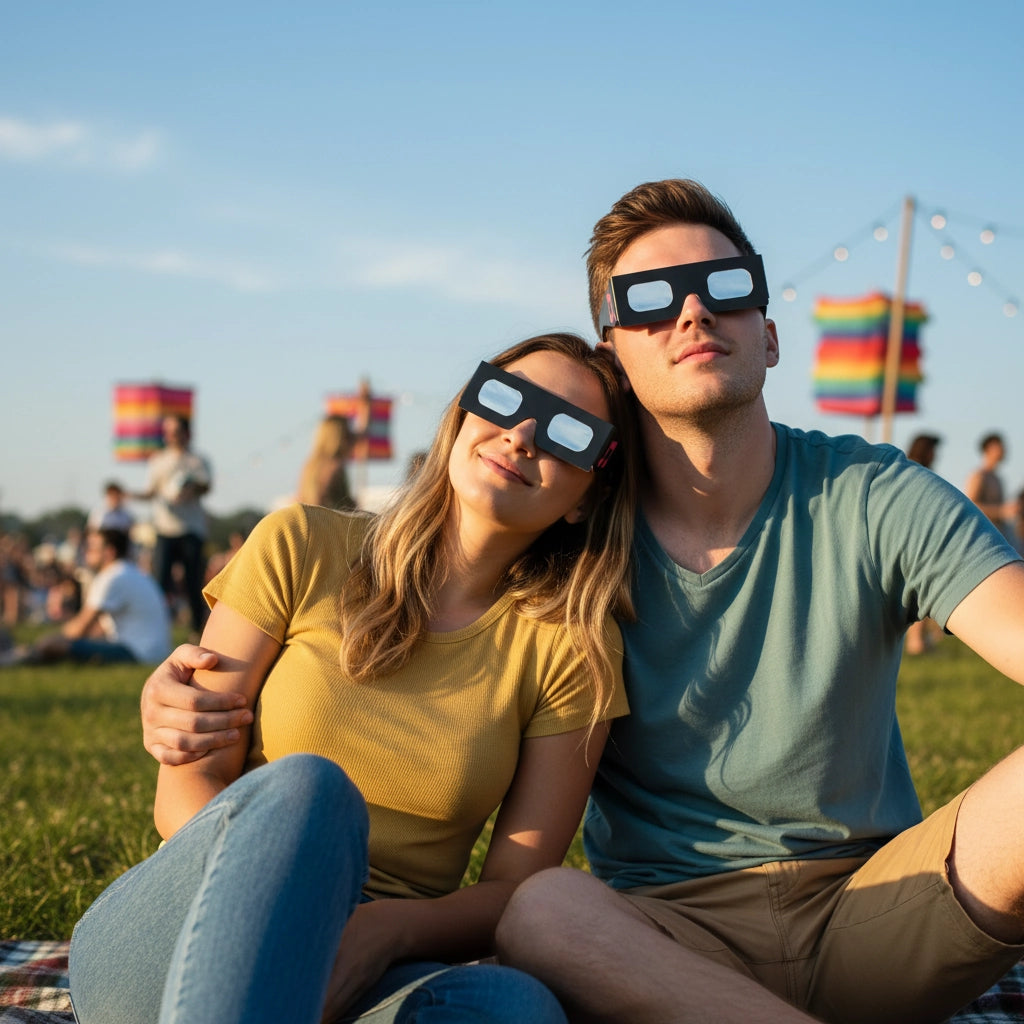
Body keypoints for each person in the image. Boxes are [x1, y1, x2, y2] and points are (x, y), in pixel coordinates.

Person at [137, 182, 1024, 1024]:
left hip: (875, 904)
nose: (692, 311)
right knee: (513, 895)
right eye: (648, 300)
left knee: (522, 968)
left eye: (724, 286)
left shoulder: (858, 499)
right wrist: (173, 701)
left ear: (770, 333)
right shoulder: (489, 551)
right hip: (659, 933)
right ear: (618, 360)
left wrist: (385, 930)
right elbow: (217, 754)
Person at [70, 332, 637, 1024]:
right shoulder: (300, 544)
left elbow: (516, 891)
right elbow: (183, 787)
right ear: (462, 415)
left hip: (373, 966)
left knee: (513, 1007)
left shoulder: (572, 648)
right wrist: (287, 919)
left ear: (587, 496)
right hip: (186, 924)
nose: (521, 435)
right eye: (505, 397)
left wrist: (382, 933)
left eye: (568, 431)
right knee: (312, 791)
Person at [0, 527, 171, 667]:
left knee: (53, 645)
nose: (86, 552)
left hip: (136, 653)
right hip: (153, 653)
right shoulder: (131, 572)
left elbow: (81, 627)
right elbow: (100, 628)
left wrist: (51, 640)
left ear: (109, 552)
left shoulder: (112, 577)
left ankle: (13, 660)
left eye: (92, 548)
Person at [133, 414, 213, 635]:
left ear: (186, 433)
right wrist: (129, 495)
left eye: (175, 431)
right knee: (159, 584)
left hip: (191, 530)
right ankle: (156, 630)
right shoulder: (158, 460)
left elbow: (206, 487)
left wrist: (191, 487)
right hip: (165, 529)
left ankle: (198, 631)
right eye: (167, 431)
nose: (171, 436)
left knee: (193, 583)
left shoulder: (198, 461)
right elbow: (151, 491)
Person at [904, 433, 943, 654]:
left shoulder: (915, 471)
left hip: (920, 538)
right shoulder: (914, 473)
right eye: (932, 449)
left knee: (920, 593)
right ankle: (916, 642)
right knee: (918, 592)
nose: (935, 455)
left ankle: (919, 641)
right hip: (914, 540)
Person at [295, 414, 359, 510]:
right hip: (328, 522)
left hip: (310, 519)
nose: (352, 437)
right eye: (348, 434)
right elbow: (319, 500)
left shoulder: (311, 465)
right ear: (340, 438)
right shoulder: (334, 466)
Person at [965, 431, 1017, 540]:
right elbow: (970, 506)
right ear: (989, 449)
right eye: (1000, 446)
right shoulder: (978, 476)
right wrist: (1001, 511)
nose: (1004, 450)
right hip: (982, 537)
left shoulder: (998, 478)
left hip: (998, 536)